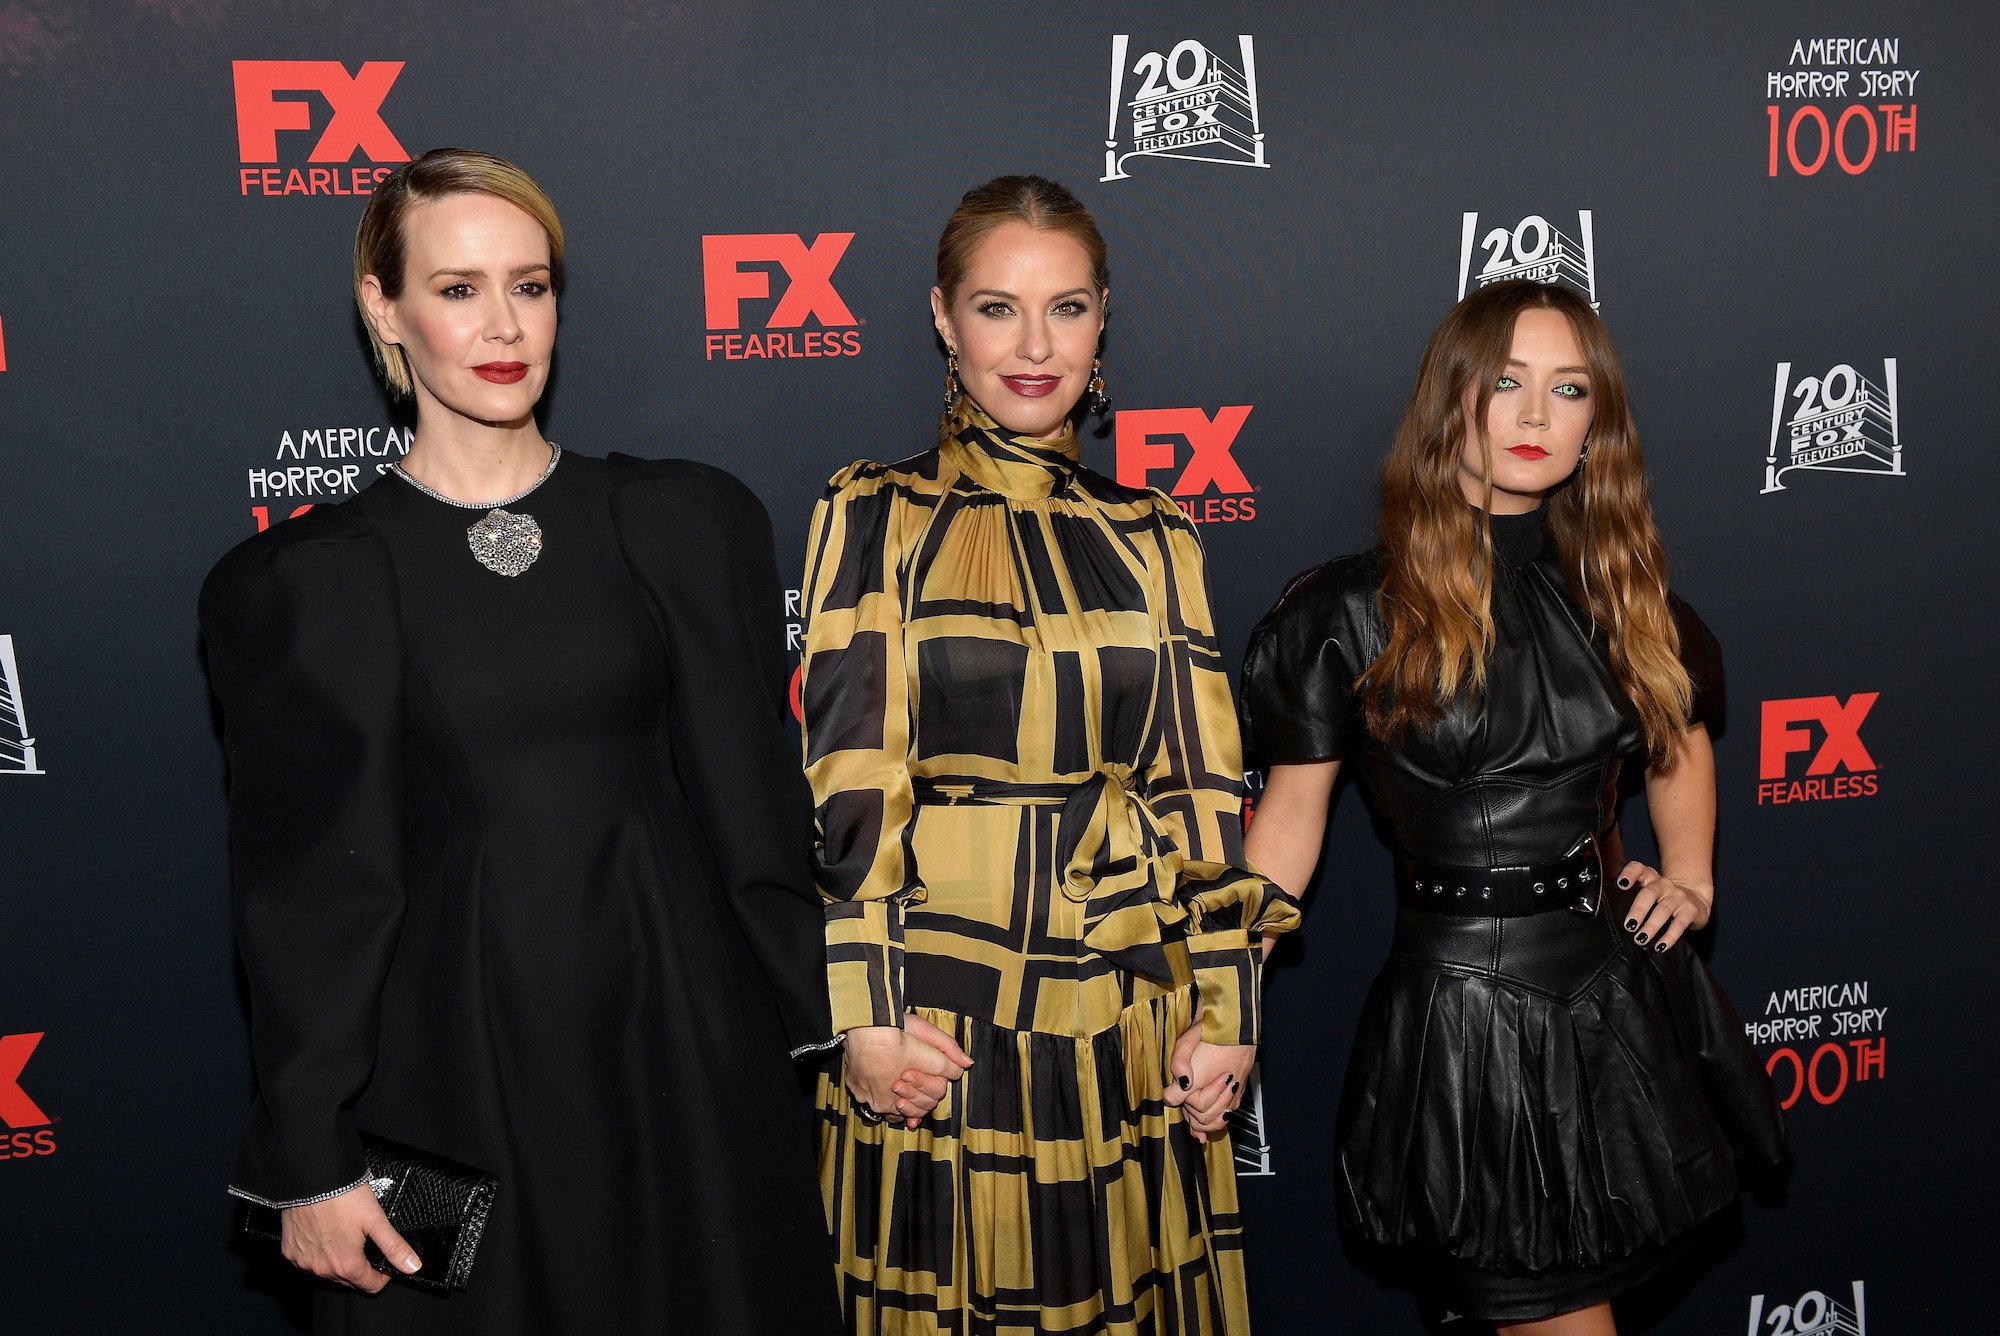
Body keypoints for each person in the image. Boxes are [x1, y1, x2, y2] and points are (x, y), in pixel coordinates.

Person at [200, 148, 839, 1335]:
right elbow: (307, 897)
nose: (502, 324)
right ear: (383, 309)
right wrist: (309, 1151)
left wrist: (844, 1016)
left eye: (530, 285)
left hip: (683, 1051)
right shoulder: (310, 581)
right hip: (447, 1076)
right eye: (456, 289)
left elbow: (756, 813)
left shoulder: (682, 520)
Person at [799, 175, 1300, 1335]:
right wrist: (865, 1015)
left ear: (1102, 320)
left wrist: (1224, 1004)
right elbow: (853, 776)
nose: (1033, 346)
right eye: (996, 308)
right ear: (941, 317)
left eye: (1066, 308)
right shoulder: (874, 513)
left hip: (1130, 1005)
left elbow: (1196, 784)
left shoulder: (1157, 532)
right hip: (947, 1021)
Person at [1239, 279, 1785, 1334]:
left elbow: (1678, 739)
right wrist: (1223, 994)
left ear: (1596, 427)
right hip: (1459, 1023)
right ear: (1451, 403)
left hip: (1608, 1006)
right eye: (1505, 384)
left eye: (1567, 390)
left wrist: (1691, 873)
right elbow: (1289, 823)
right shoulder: (1346, 610)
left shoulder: (1623, 594)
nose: (1535, 417)